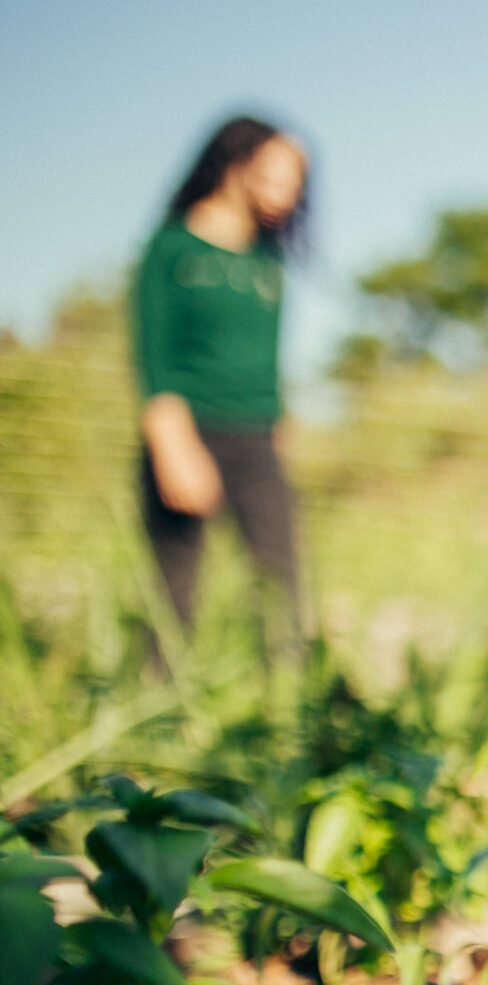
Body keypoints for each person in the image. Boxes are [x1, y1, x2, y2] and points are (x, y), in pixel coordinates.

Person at [132, 115, 311, 657]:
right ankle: (158, 716)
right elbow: (153, 352)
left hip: (256, 437)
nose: (288, 193)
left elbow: (269, 358)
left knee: (282, 586)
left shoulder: (268, 261)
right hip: (190, 428)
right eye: (275, 176)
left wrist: (277, 429)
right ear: (236, 166)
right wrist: (172, 442)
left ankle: (289, 715)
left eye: (296, 182)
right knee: (175, 590)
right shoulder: (172, 248)